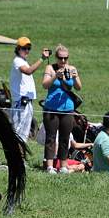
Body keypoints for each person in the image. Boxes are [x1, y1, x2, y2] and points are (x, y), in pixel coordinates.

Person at [41, 44, 82, 174]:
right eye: (60, 58)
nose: (63, 61)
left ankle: (63, 165)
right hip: (51, 109)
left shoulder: (72, 69)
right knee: (51, 138)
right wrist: (55, 77)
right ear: (56, 57)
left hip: (68, 109)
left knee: (65, 138)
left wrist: (75, 77)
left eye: (65, 58)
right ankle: (49, 166)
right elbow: (45, 85)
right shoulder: (50, 68)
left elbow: (79, 87)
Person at [9, 37, 50, 142]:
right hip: (20, 102)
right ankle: (17, 157)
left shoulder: (23, 61)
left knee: (23, 135)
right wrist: (42, 59)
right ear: (18, 49)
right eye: (24, 48)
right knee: (18, 134)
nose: (27, 51)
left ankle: (20, 156)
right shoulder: (17, 61)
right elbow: (28, 71)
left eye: (29, 48)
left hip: (26, 102)